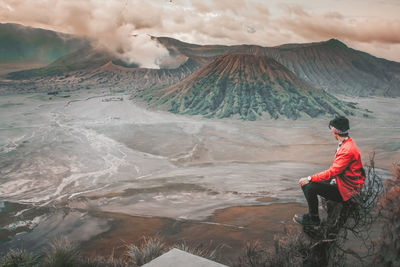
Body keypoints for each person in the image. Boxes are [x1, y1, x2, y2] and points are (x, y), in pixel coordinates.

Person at [294, 116, 366, 226]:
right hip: (346, 184)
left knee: (308, 186)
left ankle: (313, 219)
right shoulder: (348, 143)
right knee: (315, 182)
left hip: (346, 191)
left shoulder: (347, 150)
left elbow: (332, 172)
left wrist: (309, 178)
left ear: (335, 131)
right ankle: (313, 217)